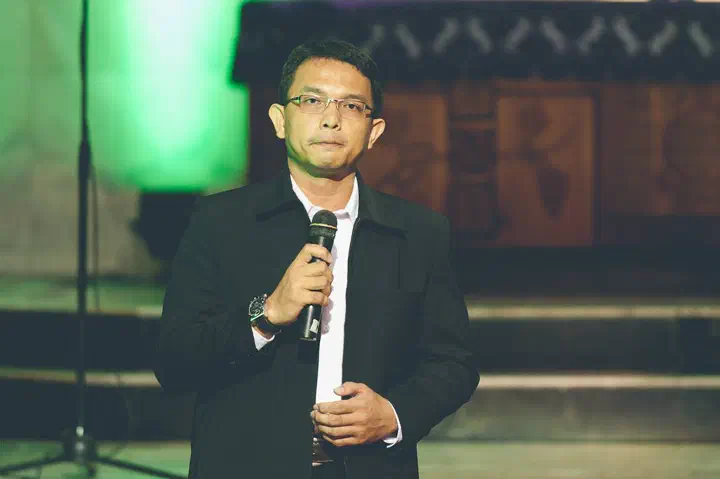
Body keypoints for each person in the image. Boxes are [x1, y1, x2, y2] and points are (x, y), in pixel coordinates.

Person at [154, 38, 479, 479]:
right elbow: (174, 361)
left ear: (374, 131)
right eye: (312, 101)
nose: (331, 118)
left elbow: (454, 364)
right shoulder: (221, 222)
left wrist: (394, 414)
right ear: (279, 120)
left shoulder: (419, 233)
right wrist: (267, 314)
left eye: (351, 106)